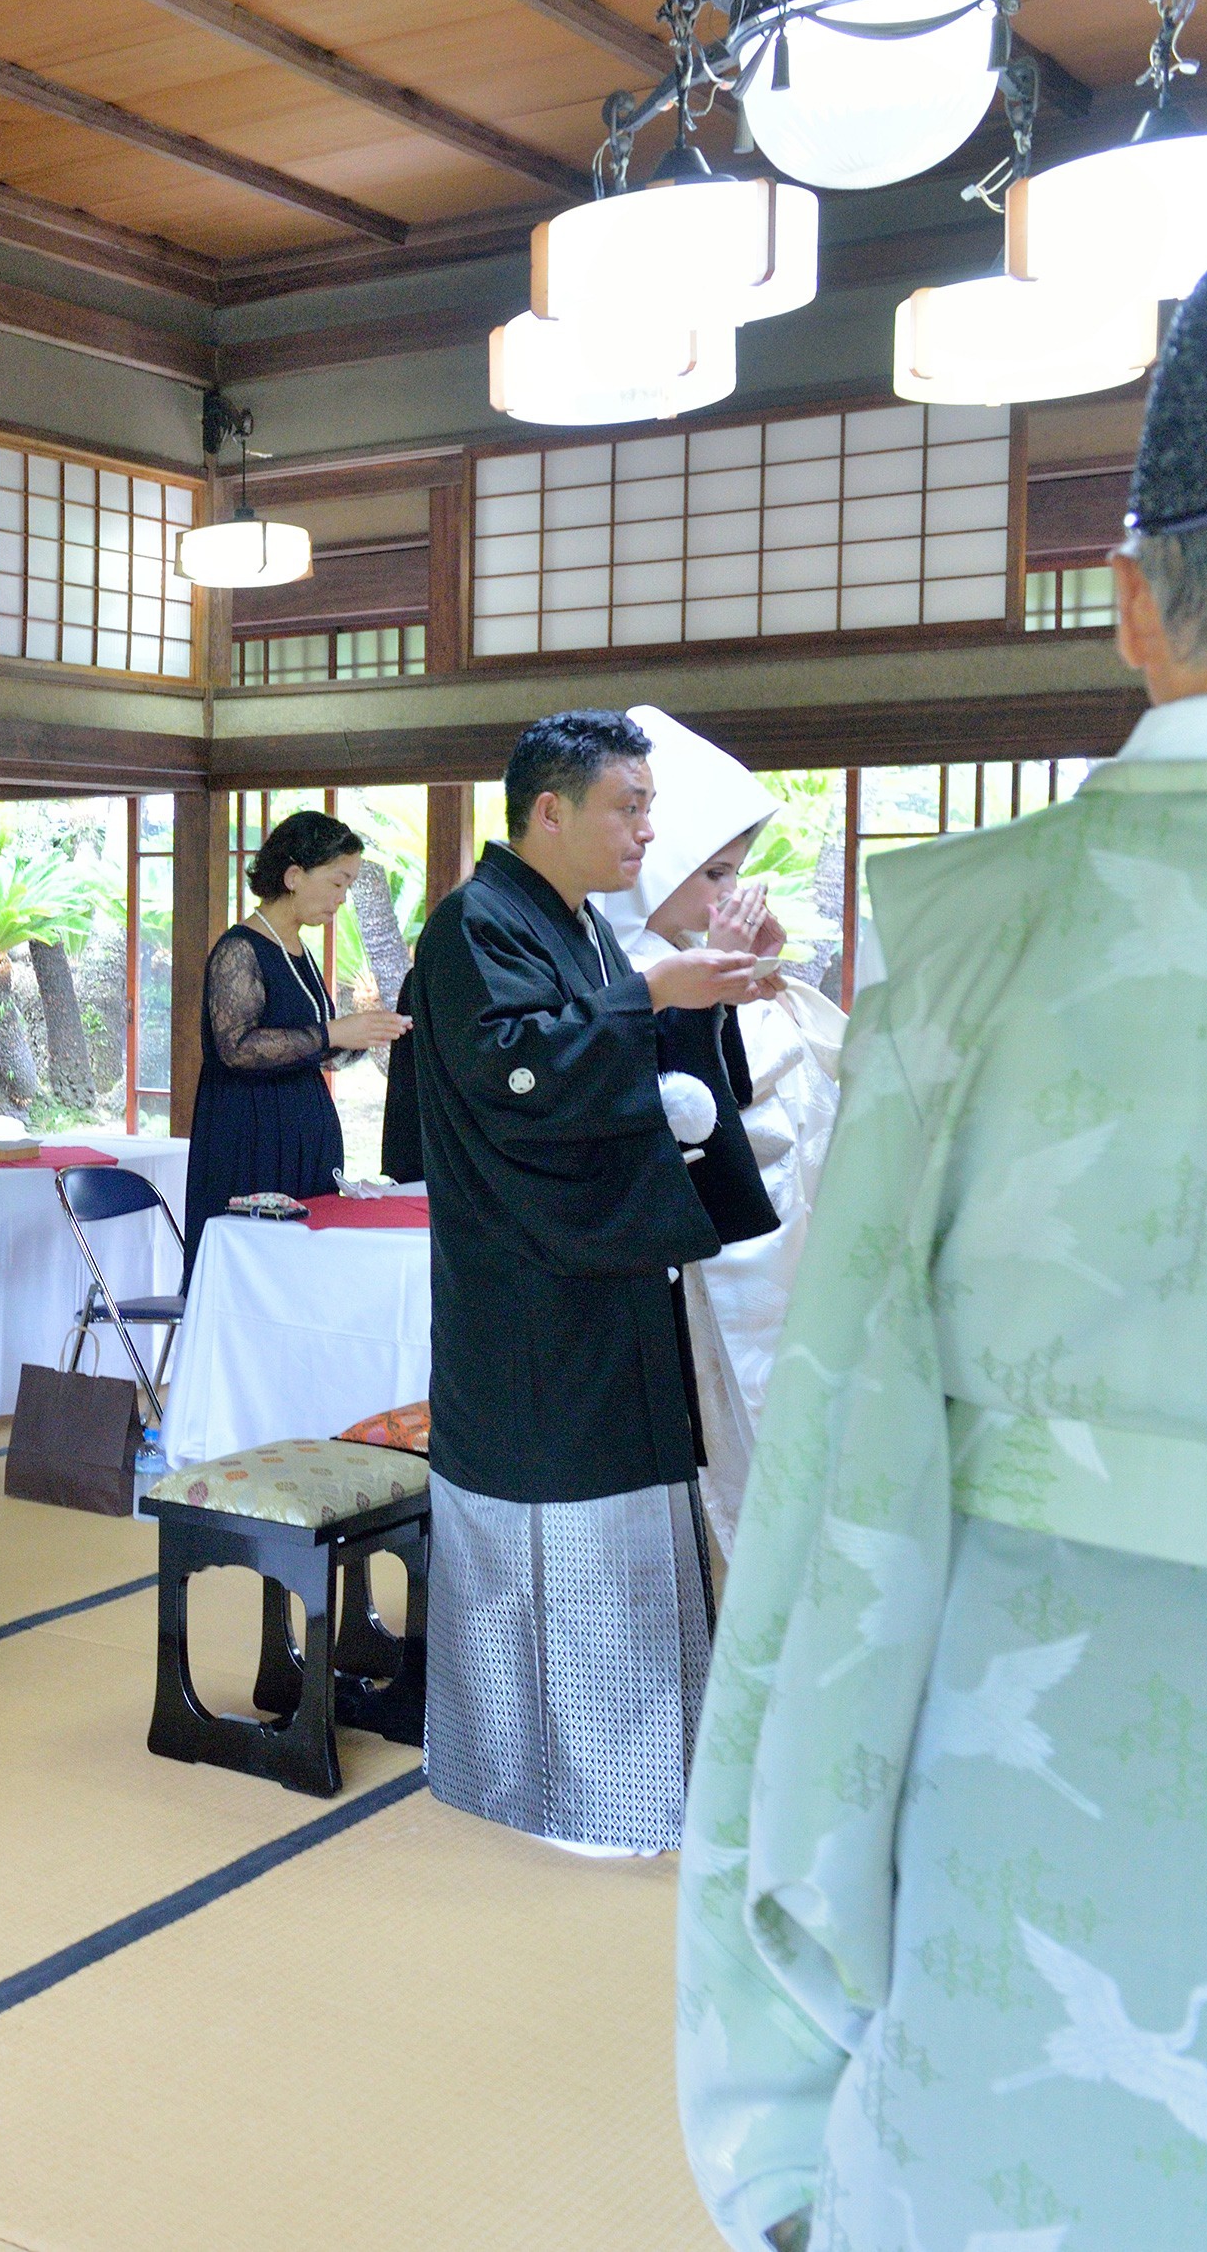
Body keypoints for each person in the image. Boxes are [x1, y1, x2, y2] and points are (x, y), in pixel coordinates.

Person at [682, 235, 1207, 2252]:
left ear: (1131, 607)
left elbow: (831, 1494)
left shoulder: (969, 934)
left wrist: (770, 2093)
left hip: (999, 1794)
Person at [403, 708, 775, 1857]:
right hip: (528, 1288)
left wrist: (696, 1004)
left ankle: (638, 1775)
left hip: (604, 1269)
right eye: (630, 806)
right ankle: (550, 1786)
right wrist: (653, 1000)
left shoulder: (585, 929)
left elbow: (626, 1053)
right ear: (549, 809)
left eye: (649, 807)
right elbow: (522, 1073)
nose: (645, 830)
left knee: (623, 1524)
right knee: (547, 1537)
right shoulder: (472, 924)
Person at [589, 708, 847, 1550]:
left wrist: (757, 973)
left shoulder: (672, 951)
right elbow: (709, 1096)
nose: (725, 895)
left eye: (733, 872)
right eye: (711, 874)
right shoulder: (618, 964)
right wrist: (717, 988)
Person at [184, 809, 409, 1232]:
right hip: (251, 1138)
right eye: (337, 882)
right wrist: (332, 1032)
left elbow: (315, 1052)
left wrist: (364, 1034)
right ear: (293, 877)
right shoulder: (240, 949)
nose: (342, 897)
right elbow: (234, 1049)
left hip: (303, 1137)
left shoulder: (299, 949)